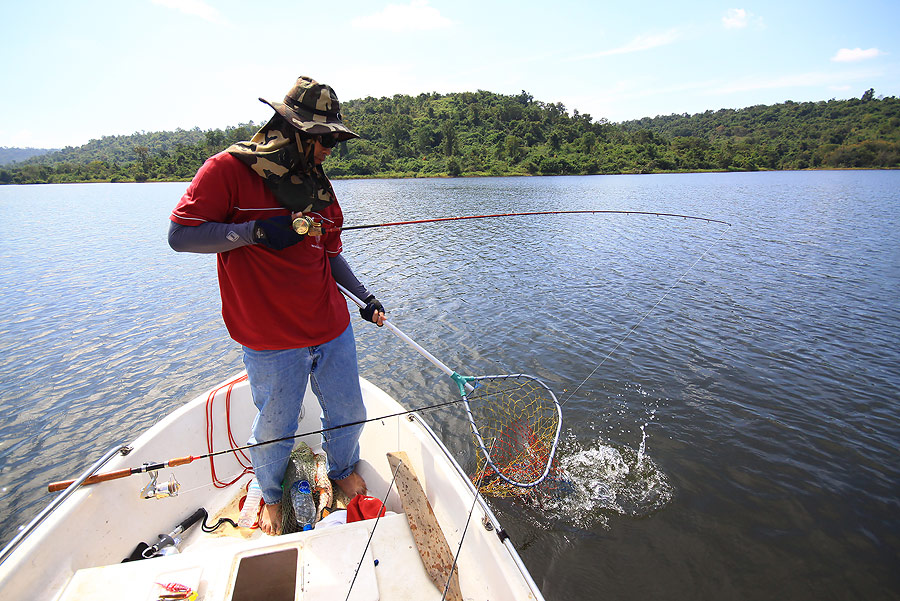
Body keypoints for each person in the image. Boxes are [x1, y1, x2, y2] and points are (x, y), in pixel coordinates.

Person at [168, 76, 385, 535]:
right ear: (294, 132)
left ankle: (342, 468)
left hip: (330, 324)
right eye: (324, 140)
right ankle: (268, 492)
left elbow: (330, 255)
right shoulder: (227, 170)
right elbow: (180, 236)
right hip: (270, 336)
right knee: (275, 426)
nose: (330, 150)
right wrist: (256, 232)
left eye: (333, 141)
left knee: (350, 411)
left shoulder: (319, 187)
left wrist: (364, 298)